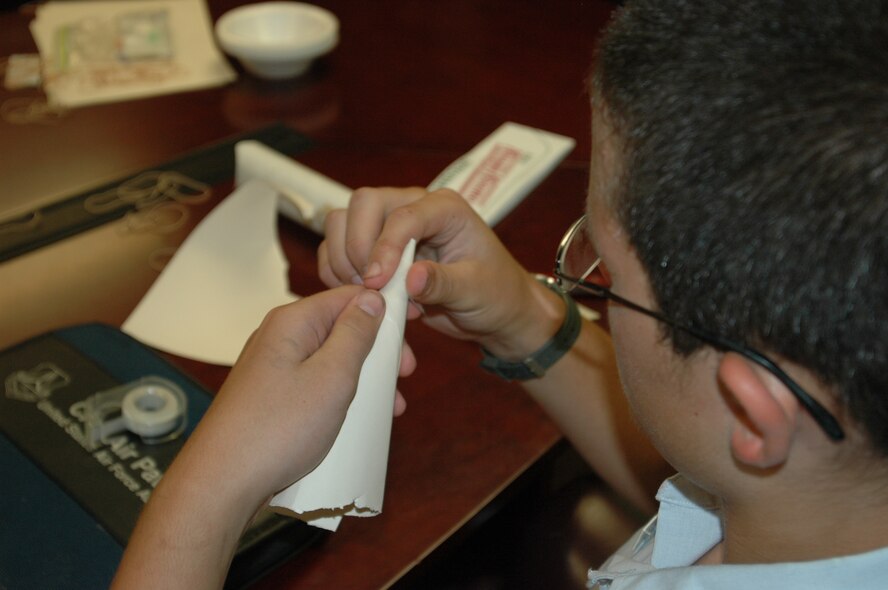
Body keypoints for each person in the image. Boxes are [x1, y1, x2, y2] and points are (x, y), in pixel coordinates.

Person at [113, 0, 888, 587]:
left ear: (755, 412)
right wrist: (521, 319)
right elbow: (725, 475)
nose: (586, 288)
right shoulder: (820, 505)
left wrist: (212, 486)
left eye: (608, 278)